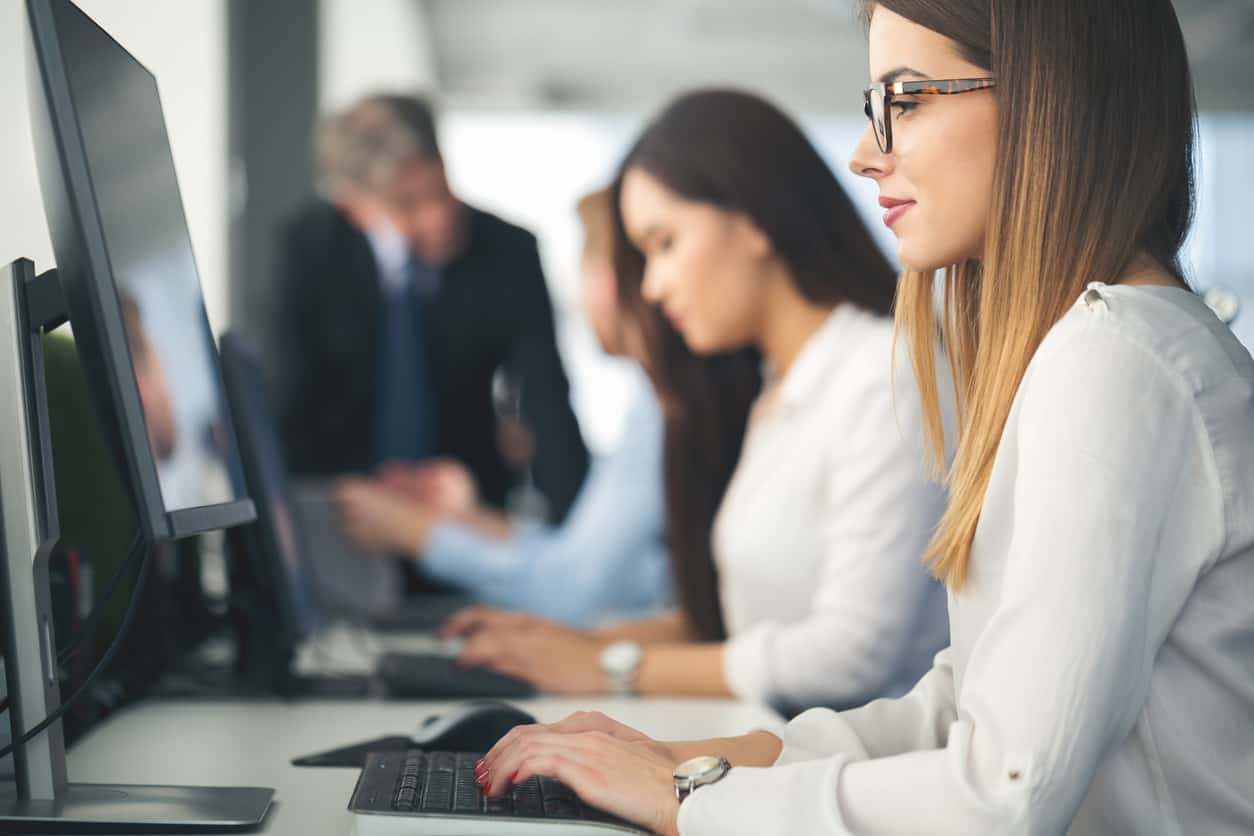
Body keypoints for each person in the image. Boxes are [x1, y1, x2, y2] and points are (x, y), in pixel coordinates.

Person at [470, 1, 1254, 834]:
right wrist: (690, 762)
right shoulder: (1087, 351)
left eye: (905, 99)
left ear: (1043, 98)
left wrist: (686, 800)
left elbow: (1003, 794)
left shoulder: (1118, 358)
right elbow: (961, 708)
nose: (865, 151)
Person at [443, 89, 950, 714]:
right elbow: (750, 627)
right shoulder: (778, 386)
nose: (652, 287)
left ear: (753, 220)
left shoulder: (882, 376)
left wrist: (608, 664)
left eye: (665, 243)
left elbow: (848, 656)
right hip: (787, 754)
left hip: (862, 782)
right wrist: (572, 644)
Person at [331, 188, 673, 627]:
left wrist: (414, 532)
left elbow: (575, 588)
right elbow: (576, 557)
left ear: (606, 282)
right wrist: (463, 519)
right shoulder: (650, 407)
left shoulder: (661, 411)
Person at [273, 93, 589, 523]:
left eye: (440, 189)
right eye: (408, 204)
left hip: (465, 508)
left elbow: (547, 400)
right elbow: (288, 400)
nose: (439, 217)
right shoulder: (309, 249)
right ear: (354, 207)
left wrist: (577, 539)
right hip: (342, 511)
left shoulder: (509, 252)